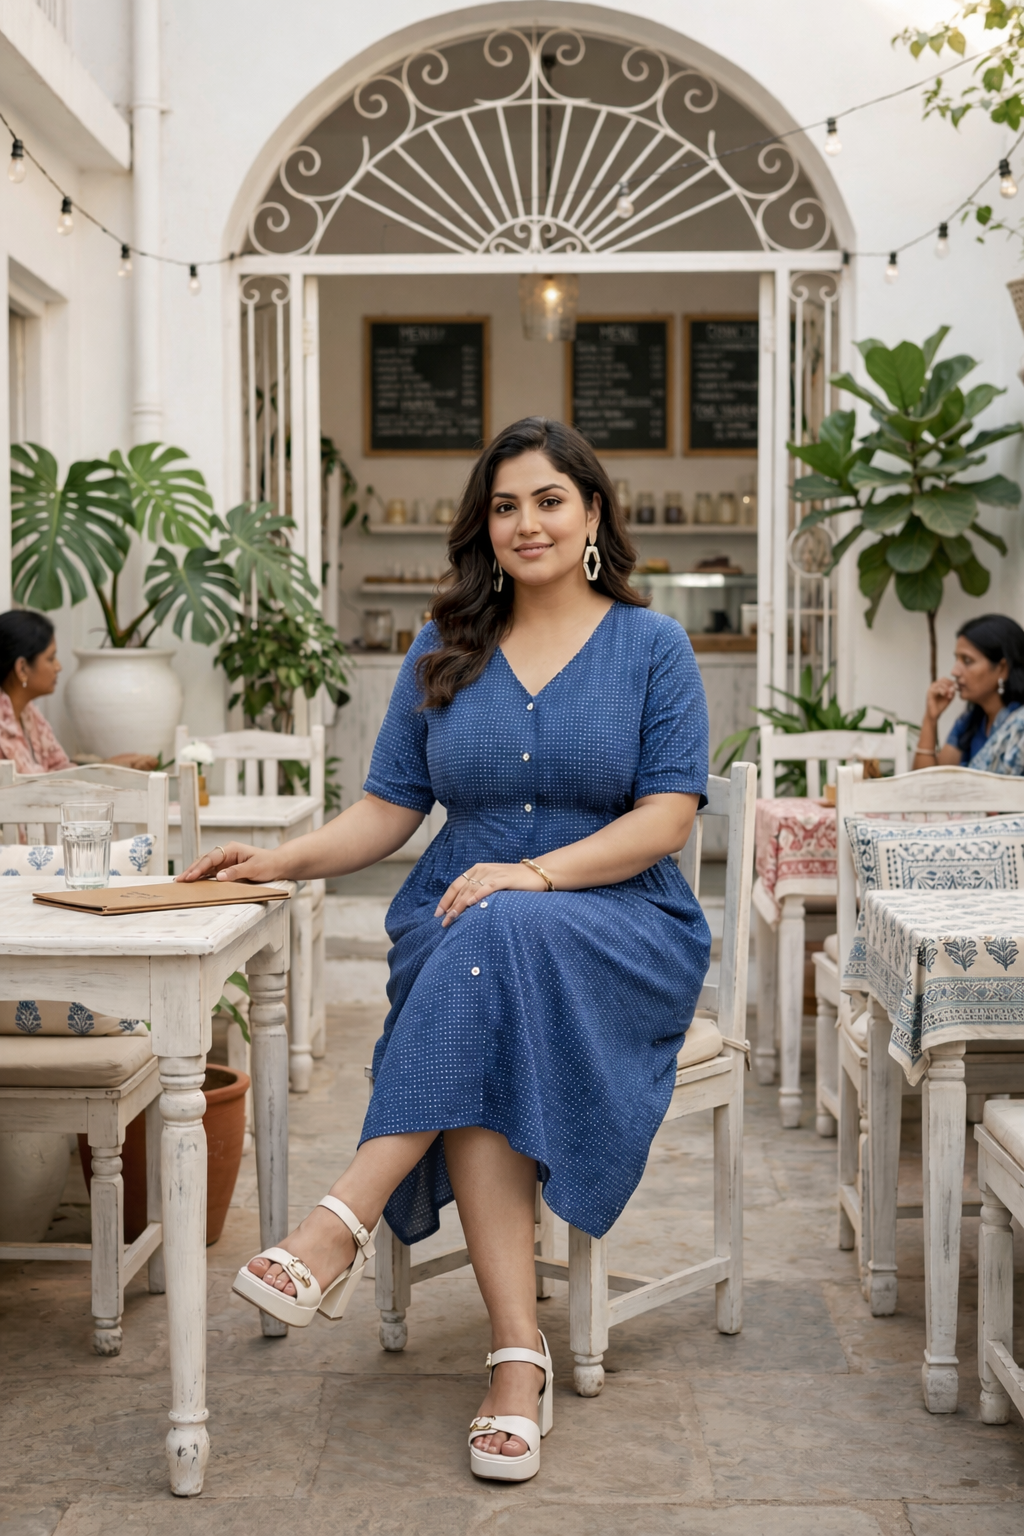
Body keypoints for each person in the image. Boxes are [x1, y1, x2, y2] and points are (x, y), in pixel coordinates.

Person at [177, 417, 711, 1482]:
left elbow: (667, 820)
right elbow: (386, 810)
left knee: (500, 931)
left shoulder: (652, 648)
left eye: (550, 500)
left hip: (619, 924)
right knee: (489, 966)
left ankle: (340, 1220)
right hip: (465, 927)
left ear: (593, 512)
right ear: (484, 525)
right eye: (506, 505)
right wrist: (278, 859)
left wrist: (536, 873)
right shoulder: (443, 645)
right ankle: (517, 1358)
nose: (528, 522)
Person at [0, 609, 158, 773]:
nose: (58, 667)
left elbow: (59, 774)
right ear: (22, 668)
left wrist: (110, 766)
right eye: (50, 658)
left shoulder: (30, 716)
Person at [914, 613, 1024, 775]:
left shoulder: (1019, 727)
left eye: (967, 661)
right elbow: (927, 786)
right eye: (956, 659)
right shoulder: (970, 722)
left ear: (1002, 669)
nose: (955, 671)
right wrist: (930, 719)